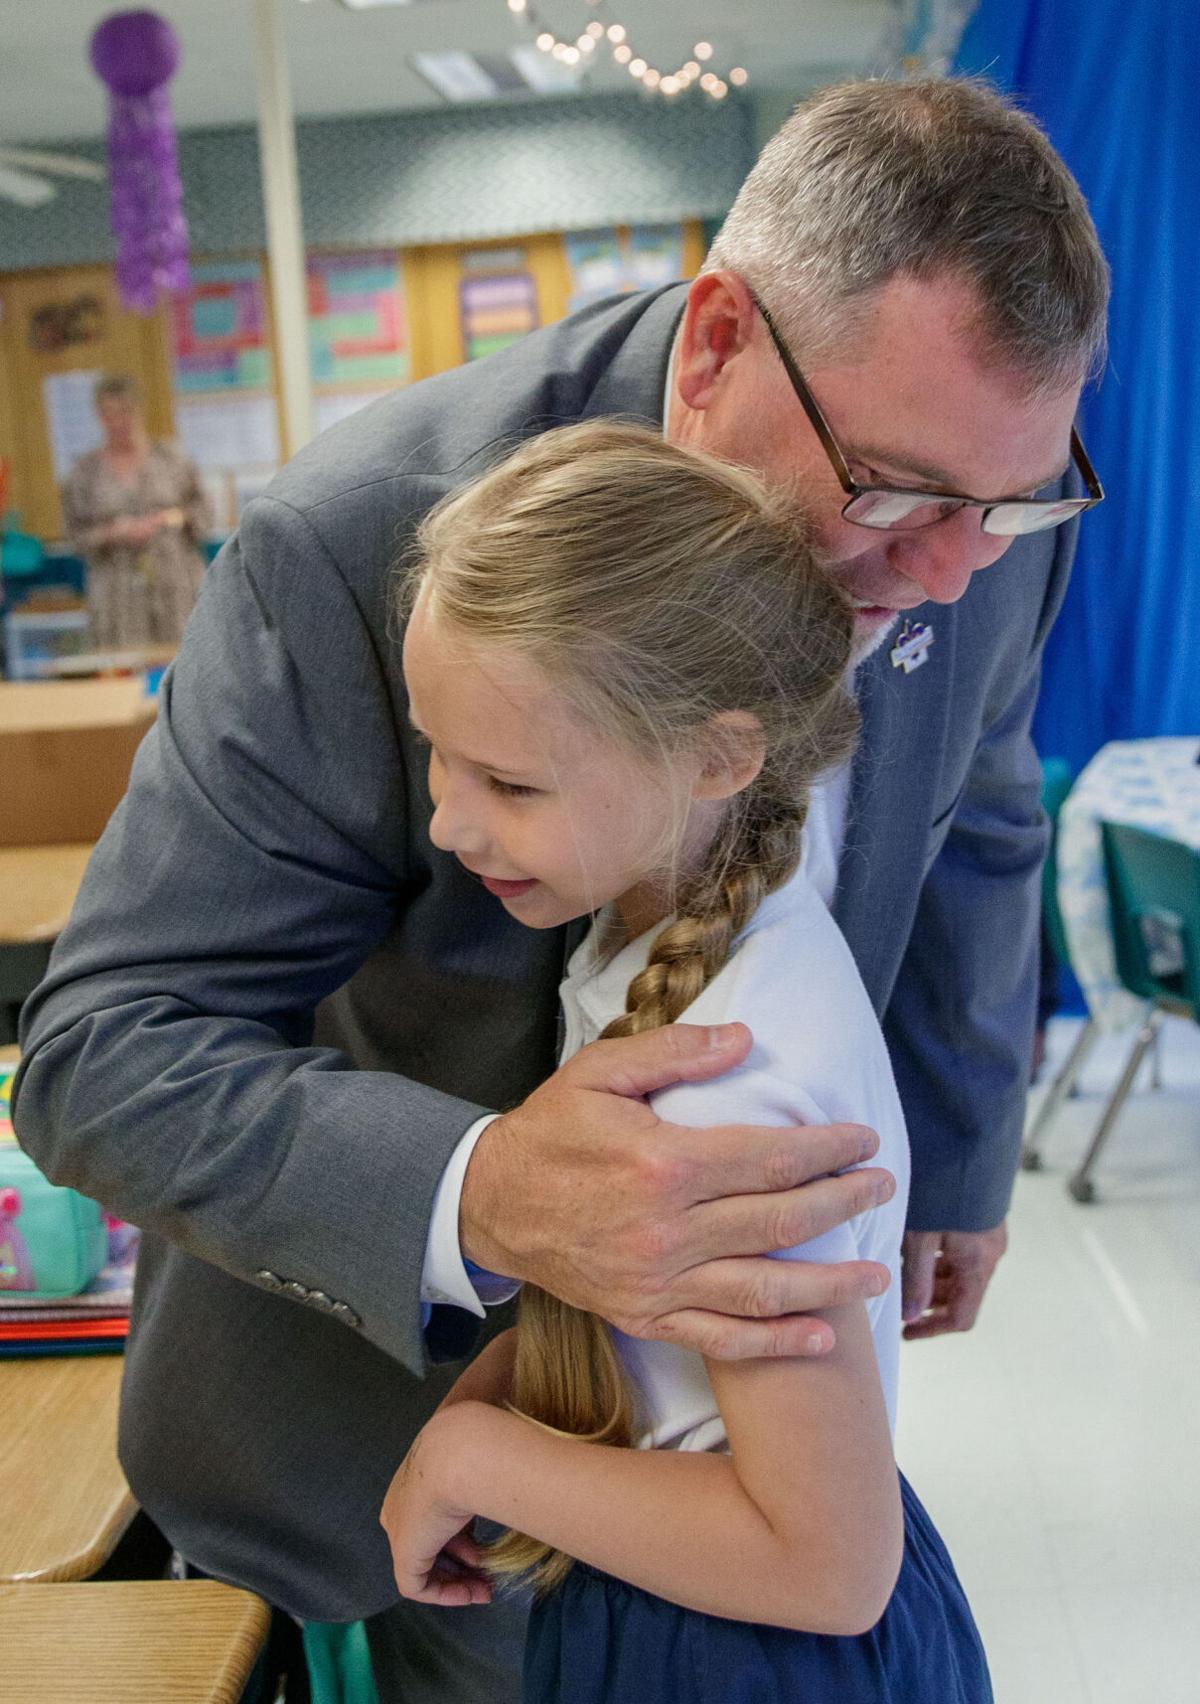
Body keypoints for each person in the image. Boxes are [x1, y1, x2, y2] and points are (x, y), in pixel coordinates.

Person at [12, 77, 1107, 1704]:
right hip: (376, 1436)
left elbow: (988, 814)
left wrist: (956, 1159)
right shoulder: (367, 544)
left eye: (1006, 503)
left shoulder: (975, 530)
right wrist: (484, 1193)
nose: (952, 567)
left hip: (708, 1497)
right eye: (893, 487)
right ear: (721, 342)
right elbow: (104, 1047)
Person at [380, 418, 992, 1701]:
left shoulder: (730, 1081)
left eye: (510, 781)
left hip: (743, 1646)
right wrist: (481, 1410)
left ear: (719, 755)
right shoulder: (660, 912)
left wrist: (474, 1460)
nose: (447, 821)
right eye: (439, 751)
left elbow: (828, 1564)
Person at [60, 373, 211, 650]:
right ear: (99, 416)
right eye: (110, 414)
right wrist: (114, 532)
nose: (119, 422)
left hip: (175, 590)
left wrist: (170, 518)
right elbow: (75, 535)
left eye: (125, 412)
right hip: (116, 598)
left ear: (139, 410)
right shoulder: (85, 472)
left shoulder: (172, 459)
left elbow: (203, 515)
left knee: (185, 666)